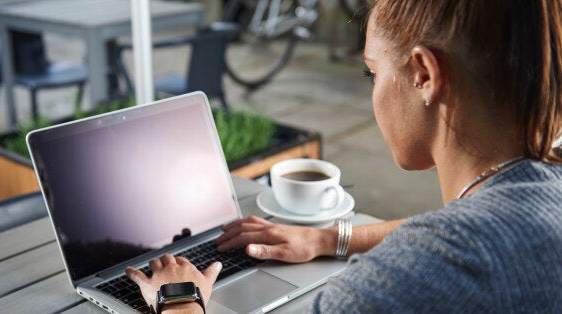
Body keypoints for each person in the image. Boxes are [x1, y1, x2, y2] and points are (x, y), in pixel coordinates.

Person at [126, 0, 562, 312]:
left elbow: (450, 251)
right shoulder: (543, 187)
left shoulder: (397, 285)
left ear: (425, 74)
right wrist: (326, 238)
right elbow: (461, 233)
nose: (373, 90)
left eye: (372, 72)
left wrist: (179, 300)